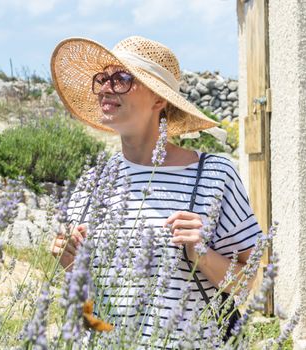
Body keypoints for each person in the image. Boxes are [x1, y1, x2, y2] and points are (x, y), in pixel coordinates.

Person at [49, 36, 263, 346]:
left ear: (159, 99)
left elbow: (246, 283)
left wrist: (202, 255)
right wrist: (70, 264)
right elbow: (85, 301)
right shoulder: (92, 184)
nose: (107, 87)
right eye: (102, 79)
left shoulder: (213, 176)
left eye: (122, 78)